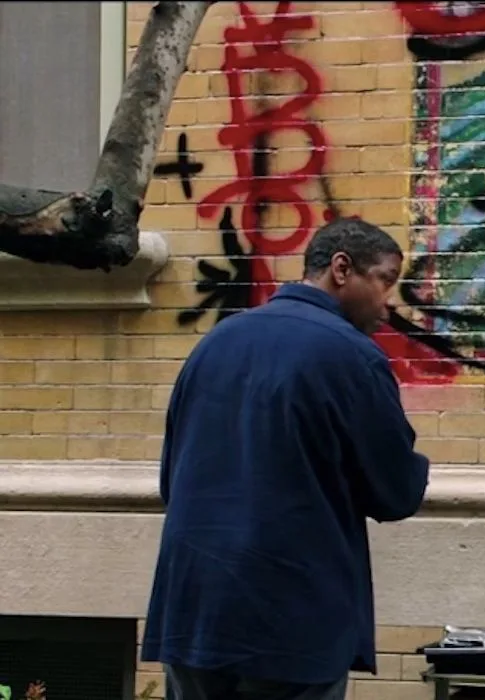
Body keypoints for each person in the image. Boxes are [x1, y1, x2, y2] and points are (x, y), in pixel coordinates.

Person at [141, 217, 431, 699]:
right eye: (385, 281)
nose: (388, 303)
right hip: (292, 620)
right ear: (342, 268)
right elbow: (395, 493)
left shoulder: (213, 344)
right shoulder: (353, 357)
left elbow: (173, 481)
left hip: (194, 611)